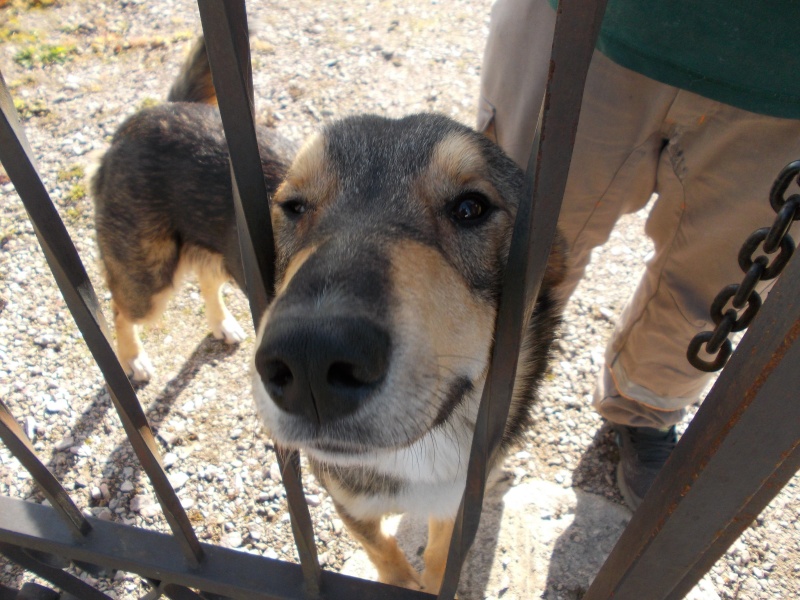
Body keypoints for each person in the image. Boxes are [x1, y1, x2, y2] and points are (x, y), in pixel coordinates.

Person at [477, 0, 800, 510]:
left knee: (712, 285)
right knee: (510, 247)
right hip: (591, 22)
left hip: (782, 75)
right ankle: (477, 387)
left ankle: (646, 405)